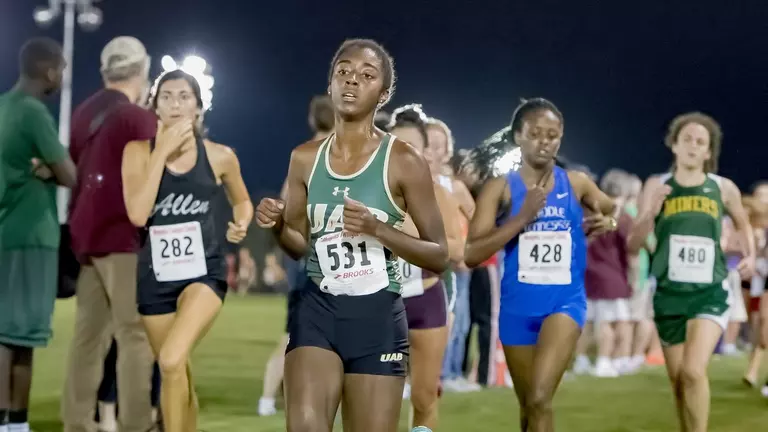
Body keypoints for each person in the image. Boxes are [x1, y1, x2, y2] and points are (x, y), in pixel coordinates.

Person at [255, 39, 449, 432]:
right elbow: (300, 246)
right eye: (343, 72)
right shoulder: (304, 158)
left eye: (366, 75)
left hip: (377, 318)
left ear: (384, 93)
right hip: (318, 311)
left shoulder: (404, 161)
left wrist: (378, 229)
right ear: (330, 84)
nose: (351, 81)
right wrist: (278, 226)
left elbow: (439, 255)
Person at [465, 97, 617, 431]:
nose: (545, 141)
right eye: (536, 133)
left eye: (553, 134)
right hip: (518, 308)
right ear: (518, 136)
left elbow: (609, 206)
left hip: (564, 302)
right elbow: (472, 253)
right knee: (530, 407)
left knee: (538, 397)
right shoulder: (499, 188)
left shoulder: (575, 183)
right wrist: (521, 218)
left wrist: (608, 221)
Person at [121, 69, 253, 432]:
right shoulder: (136, 153)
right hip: (156, 280)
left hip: (204, 275)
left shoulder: (220, 156)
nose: (175, 103)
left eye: (184, 96)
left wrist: (242, 221)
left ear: (198, 107)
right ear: (155, 106)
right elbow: (137, 213)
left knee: (170, 358)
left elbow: (242, 201)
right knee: (179, 373)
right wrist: (160, 150)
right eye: (166, 96)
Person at [627, 112, 755, 432]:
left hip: (709, 290)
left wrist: (750, 254)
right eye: (687, 140)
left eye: (701, 142)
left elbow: (742, 222)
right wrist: (649, 213)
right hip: (669, 292)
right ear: (674, 145)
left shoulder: (723, 188)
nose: (693, 147)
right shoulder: (657, 185)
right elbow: (633, 243)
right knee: (678, 380)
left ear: (709, 152)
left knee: (693, 371)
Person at [61, 36, 159, 432]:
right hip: (122, 237)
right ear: (142, 69)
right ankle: (136, 423)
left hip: (86, 239)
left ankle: (76, 423)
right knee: (134, 335)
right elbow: (154, 173)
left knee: (88, 339)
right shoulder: (136, 117)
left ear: (105, 71)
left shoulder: (83, 112)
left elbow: (73, 165)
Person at [0, 37, 76, 432]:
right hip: (32, 234)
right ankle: (13, 423)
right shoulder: (32, 112)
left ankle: (12, 423)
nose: (62, 76)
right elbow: (71, 174)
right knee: (19, 333)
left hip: (4, 230)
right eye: (61, 68)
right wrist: (49, 168)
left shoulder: (2, 107)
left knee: (8, 330)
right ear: (48, 70)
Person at [388, 104, 465, 429]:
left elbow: (458, 251)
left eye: (413, 148)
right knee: (376, 397)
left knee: (423, 398)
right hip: (380, 304)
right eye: (396, 147)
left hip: (426, 301)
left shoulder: (437, 194)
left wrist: (412, 235)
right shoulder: (367, 192)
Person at [258, 94, 334, 417]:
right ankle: (272, 398)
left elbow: (284, 205)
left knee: (299, 335)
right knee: (301, 335)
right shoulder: (331, 155)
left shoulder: (303, 155)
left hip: (308, 257)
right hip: (319, 258)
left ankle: (274, 399)